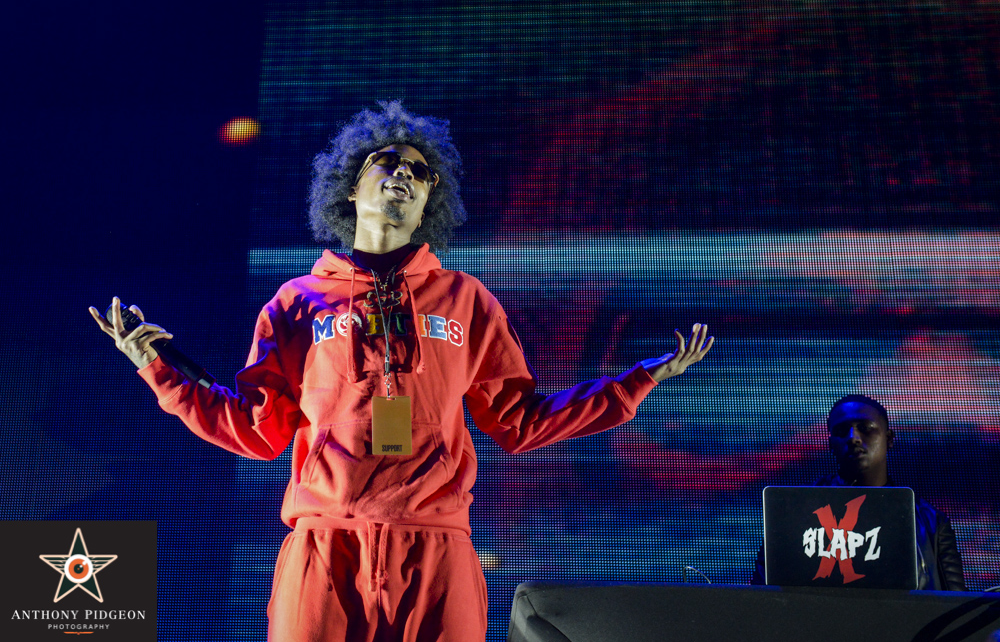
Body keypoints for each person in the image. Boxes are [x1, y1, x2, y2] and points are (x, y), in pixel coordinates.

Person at [89, 101, 715, 642]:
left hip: (438, 552)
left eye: (421, 173)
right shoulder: (296, 302)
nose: (405, 176)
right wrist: (158, 370)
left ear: (429, 204)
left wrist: (638, 382)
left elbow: (520, 423)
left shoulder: (467, 300)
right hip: (324, 551)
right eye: (388, 163)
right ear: (350, 186)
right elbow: (258, 430)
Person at [751, 394, 965, 590]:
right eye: (842, 431)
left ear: (889, 438)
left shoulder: (930, 522)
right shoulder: (794, 513)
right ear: (830, 444)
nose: (853, 437)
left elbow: (954, 607)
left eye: (866, 427)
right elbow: (760, 601)